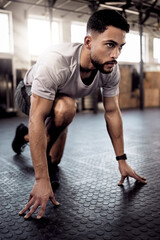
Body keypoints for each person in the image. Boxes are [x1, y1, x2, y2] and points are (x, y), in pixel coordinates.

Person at [12, 9, 147, 220]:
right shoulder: (56, 61)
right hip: (28, 92)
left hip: (61, 101)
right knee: (66, 108)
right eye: (110, 44)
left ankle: (24, 136)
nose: (116, 54)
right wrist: (41, 179)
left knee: (54, 160)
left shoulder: (110, 68)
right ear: (88, 42)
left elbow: (112, 112)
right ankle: (32, 137)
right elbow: (37, 118)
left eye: (120, 47)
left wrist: (122, 160)